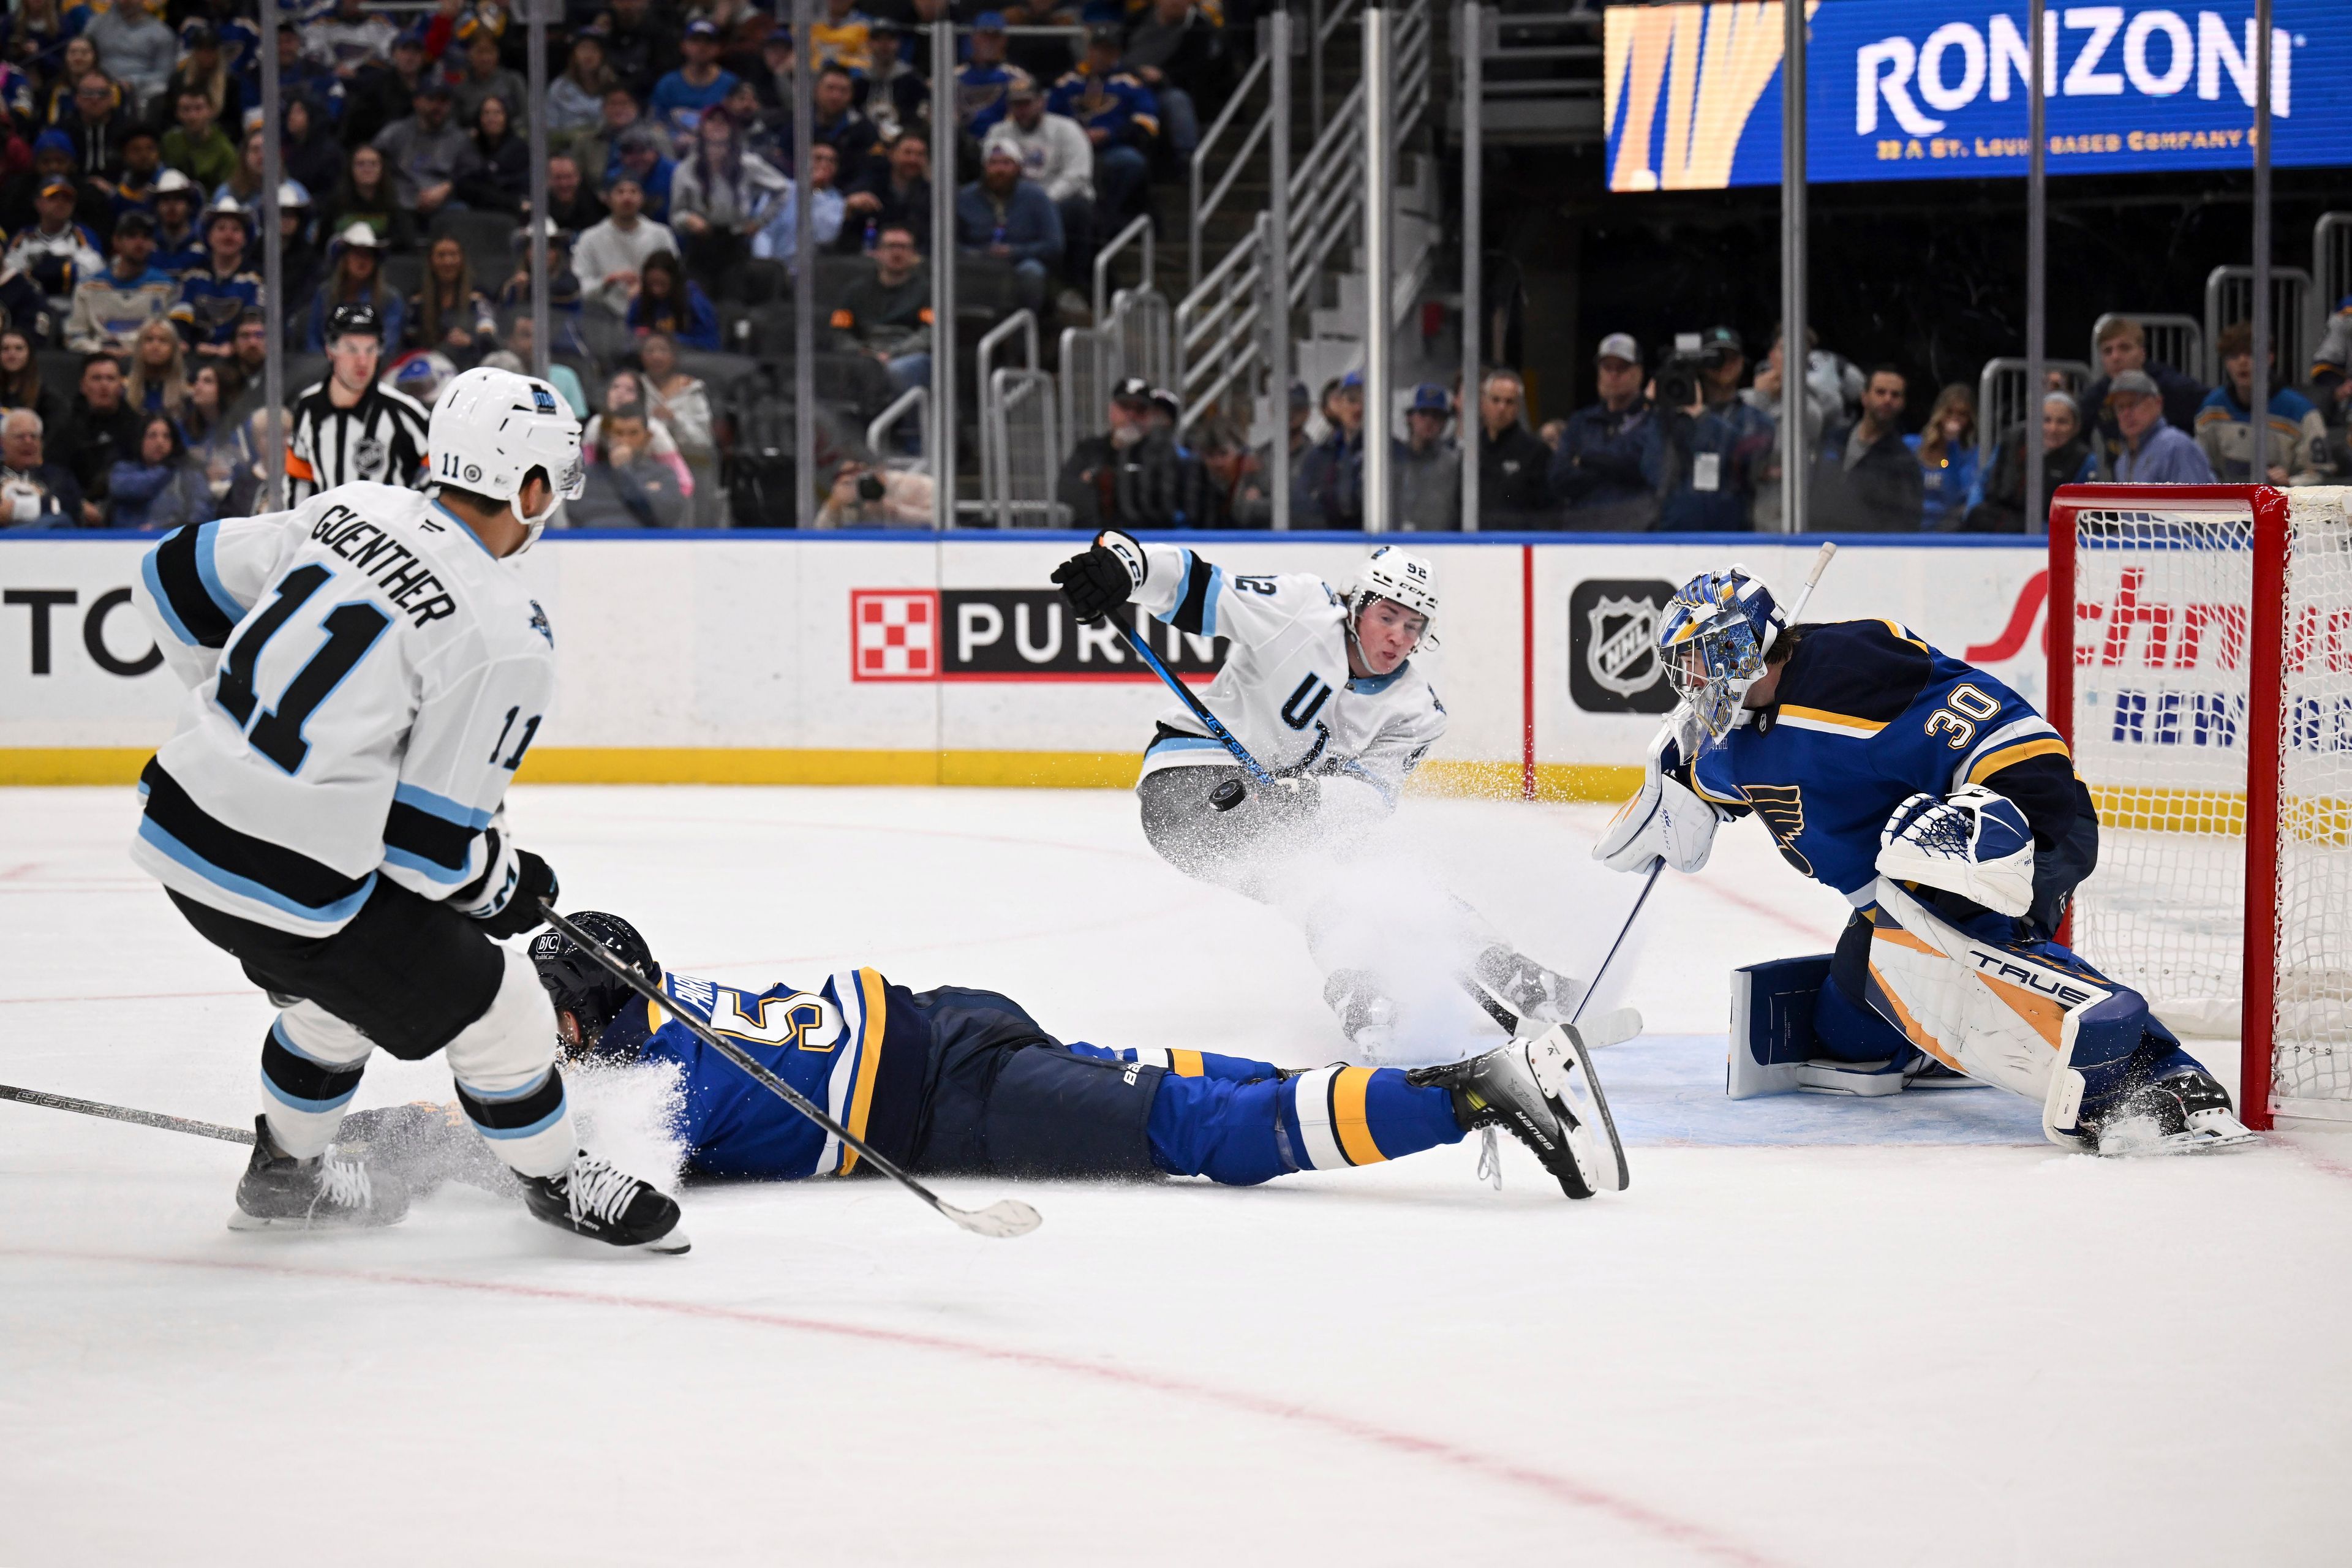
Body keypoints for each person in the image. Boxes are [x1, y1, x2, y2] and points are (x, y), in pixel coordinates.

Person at [125, 365, 684, 1246]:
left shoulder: (350, 509)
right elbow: (432, 853)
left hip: (179, 826)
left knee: (342, 991)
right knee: (505, 1007)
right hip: (293, 881)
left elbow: (170, 578)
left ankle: (285, 1178)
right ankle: (559, 1181)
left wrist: (231, 720)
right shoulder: (508, 631)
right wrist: (511, 887)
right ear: (530, 487)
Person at [1594, 565, 2256, 1155]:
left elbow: (1967, 707)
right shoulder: (1730, 747)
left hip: (2020, 806)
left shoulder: (1843, 664)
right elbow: (1706, 789)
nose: (1694, 681)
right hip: (1912, 880)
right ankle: (1935, 1035)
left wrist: (1985, 814)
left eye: (1703, 660)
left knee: (1933, 904)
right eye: (1685, 667)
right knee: (1848, 1020)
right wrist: (1672, 794)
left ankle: (2164, 1074)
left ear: (1743, 645)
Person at [502, 908, 1632, 1204]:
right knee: (1205, 1087)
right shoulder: (666, 1008)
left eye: (554, 1012)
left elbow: (542, 1155)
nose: (541, 1033)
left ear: (597, 1010)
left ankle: (1482, 1093)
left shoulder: (647, 1085)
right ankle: (1449, 1087)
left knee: (1199, 1135)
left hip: (959, 1098)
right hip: (952, 1018)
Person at [1052, 534, 1594, 1057]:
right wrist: (1127, 566)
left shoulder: (1415, 712)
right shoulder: (1300, 609)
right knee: (1315, 875)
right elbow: (1199, 587)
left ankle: (1518, 974)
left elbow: (1373, 795)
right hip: (1188, 787)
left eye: (1413, 626)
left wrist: (1307, 801)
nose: (1398, 638)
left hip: (1280, 808)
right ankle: (1360, 995)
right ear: (1356, 607)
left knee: (1389, 877)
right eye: (1387, 617)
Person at [286, 302, 431, 503]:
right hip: (327, 532)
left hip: (390, 533)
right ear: (331, 351)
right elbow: (299, 477)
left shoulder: (404, 411)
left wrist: (414, 514)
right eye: (352, 350)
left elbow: (441, 467)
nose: (363, 361)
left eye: (370, 350)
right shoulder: (308, 407)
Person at [1640, 327, 1774, 531]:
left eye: (1732, 358)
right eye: (1717, 359)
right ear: (1701, 365)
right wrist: (1647, 409)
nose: (1725, 365)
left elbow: (1752, 462)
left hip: (1733, 535)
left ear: (1741, 363)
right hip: (1672, 533)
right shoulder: (1671, 418)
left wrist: (1704, 418)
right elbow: (1648, 468)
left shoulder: (1755, 419)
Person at [1049, 25, 1158, 232]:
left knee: (1130, 161)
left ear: (1116, 53)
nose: (1100, 55)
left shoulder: (1130, 83)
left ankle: (1108, 216)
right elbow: (1050, 118)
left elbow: (1147, 122)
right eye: (1097, 49)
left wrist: (1110, 134)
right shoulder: (1067, 83)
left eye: (1107, 50)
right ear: (1089, 50)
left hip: (1111, 148)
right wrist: (1074, 136)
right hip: (1069, 150)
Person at [2195, 320, 2328, 486]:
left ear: (2269, 358)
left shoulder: (2302, 413)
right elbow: (2201, 467)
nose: (2242, 362)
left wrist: (2291, 483)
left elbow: (2320, 474)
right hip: (2229, 505)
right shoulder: (2212, 409)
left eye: (2251, 354)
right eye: (2234, 356)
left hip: (2285, 505)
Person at [997, 77, 1092, 293]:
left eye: (1026, 103)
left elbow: (1078, 176)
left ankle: (1074, 285)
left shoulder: (1067, 129)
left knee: (1078, 209)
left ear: (1042, 102)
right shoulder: (999, 132)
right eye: (1015, 104)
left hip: (1060, 202)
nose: (1021, 110)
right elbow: (991, 171)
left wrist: (1041, 203)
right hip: (1014, 203)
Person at [1552, 333, 1654, 531]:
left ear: (1639, 373)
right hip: (1582, 535)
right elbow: (1558, 476)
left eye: (1622, 368)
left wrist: (1585, 460)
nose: (1613, 375)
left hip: (1635, 536)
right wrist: (1612, 468)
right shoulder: (1581, 422)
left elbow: (1640, 468)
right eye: (1607, 367)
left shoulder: (1652, 420)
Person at [956, 130, 1063, 315]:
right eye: (994, 163)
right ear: (984, 167)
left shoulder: (1036, 197)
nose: (1000, 170)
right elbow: (951, 242)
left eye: (1007, 163)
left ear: (1018, 167)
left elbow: (1054, 244)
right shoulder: (965, 198)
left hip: (1019, 262)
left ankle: (1023, 331)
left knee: (1032, 272)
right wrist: (978, 254)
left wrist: (1015, 252)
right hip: (976, 263)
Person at [1962, 390, 2096, 533]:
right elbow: (1983, 482)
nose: (2053, 429)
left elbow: (2082, 514)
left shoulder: (2084, 460)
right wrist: (1971, 511)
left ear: (2076, 427)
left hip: (2048, 531)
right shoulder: (2012, 440)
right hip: (1997, 520)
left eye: (2062, 422)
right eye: (2046, 420)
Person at [1811, 366, 1921, 532]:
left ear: (1902, 404)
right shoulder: (1832, 440)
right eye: (1880, 392)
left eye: (1895, 395)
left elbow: (1906, 523)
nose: (1887, 400)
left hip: (1864, 549)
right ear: (1864, 397)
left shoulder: (1904, 462)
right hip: (1815, 543)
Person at [2079, 316, 2207, 459]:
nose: (2115, 357)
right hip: (2126, 475)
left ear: (2142, 353)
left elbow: (2214, 407)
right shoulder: (2098, 395)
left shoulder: (2172, 386)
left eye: (2124, 348)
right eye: (2108, 351)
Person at [829, 222, 932, 398]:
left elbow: (929, 333)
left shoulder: (927, 291)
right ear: (877, 253)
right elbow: (840, 332)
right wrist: (862, 353)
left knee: (897, 371)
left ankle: (908, 425)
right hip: (864, 355)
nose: (897, 253)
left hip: (908, 355)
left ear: (914, 254)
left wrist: (892, 354)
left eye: (904, 247)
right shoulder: (855, 291)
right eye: (891, 246)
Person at [1121, 0, 1226, 164]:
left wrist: (1163, 76)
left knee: (1177, 100)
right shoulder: (1138, 18)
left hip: (1168, 87)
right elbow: (1120, 51)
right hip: (1129, 84)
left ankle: (1188, 160)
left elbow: (1198, 69)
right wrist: (1134, 72)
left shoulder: (1199, 26)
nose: (1177, 3)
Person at [1, 175, 102, 335]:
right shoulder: (23, 238)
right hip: (30, 313)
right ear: (38, 203)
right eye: (53, 197)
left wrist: (63, 272)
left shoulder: (84, 236)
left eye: (67, 198)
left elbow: (95, 274)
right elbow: (9, 274)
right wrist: (32, 276)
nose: (61, 203)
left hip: (72, 312)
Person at [65, 208, 174, 353]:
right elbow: (74, 336)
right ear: (116, 241)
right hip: (101, 363)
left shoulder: (165, 287)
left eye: (146, 237)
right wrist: (101, 351)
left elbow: (169, 339)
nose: (139, 242)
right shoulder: (88, 287)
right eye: (132, 236)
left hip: (146, 364)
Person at [570, 399, 690, 528]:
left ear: (647, 437)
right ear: (607, 436)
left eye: (633, 433)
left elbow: (664, 518)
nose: (625, 440)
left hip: (649, 546)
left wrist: (623, 471)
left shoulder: (664, 475)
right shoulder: (588, 477)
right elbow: (581, 516)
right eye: (618, 433)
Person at [575, 173, 679, 318]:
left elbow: (675, 277)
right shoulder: (590, 238)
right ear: (608, 199)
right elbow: (580, 285)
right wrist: (608, 281)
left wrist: (646, 288)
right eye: (620, 192)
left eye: (634, 192)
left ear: (642, 198)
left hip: (652, 311)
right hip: (601, 315)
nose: (627, 198)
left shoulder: (661, 234)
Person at [636, 331, 715, 519]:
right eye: (650, 351)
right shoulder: (634, 387)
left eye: (663, 350)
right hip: (645, 469)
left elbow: (704, 439)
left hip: (692, 466)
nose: (656, 356)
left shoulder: (692, 390)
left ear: (674, 355)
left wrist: (675, 419)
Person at [57, 352, 141, 524]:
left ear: (121, 385)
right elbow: (55, 473)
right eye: (96, 378)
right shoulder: (65, 427)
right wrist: (77, 503)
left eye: (110, 379)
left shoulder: (138, 427)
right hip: (75, 513)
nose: (104, 385)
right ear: (83, 385)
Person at [176, 197, 263, 358]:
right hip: (194, 354)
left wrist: (233, 345)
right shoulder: (193, 277)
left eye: (236, 230)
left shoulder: (255, 279)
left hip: (237, 357)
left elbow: (253, 320)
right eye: (221, 228)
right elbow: (181, 318)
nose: (228, 235)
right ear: (208, 236)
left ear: (245, 239)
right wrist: (189, 343)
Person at [300, 221, 404, 355]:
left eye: (368, 255)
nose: (363, 261)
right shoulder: (325, 293)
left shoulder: (390, 299)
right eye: (357, 254)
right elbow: (313, 340)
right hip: (325, 368)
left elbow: (387, 346)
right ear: (344, 259)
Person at [372, 78, 469, 219]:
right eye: (431, 99)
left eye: (443, 101)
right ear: (416, 102)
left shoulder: (460, 138)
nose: (438, 106)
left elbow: (472, 173)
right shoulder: (395, 132)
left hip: (443, 206)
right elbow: (370, 159)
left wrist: (448, 187)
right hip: (398, 206)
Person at [1472, 368, 1553, 528]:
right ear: (1484, 403)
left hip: (1517, 544)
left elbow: (1547, 511)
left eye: (1509, 402)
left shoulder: (1536, 452)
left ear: (1518, 407)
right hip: (1475, 545)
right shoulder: (1471, 449)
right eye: (1496, 400)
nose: (1502, 408)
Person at [2103, 369, 2215, 484]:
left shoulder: (2176, 447)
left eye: (2133, 404)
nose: (2126, 414)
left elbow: (2195, 500)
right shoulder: (2122, 461)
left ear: (2158, 403)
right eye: (2120, 407)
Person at [104, 412, 209, 530]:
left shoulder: (189, 476)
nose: (160, 442)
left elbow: (200, 514)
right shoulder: (123, 471)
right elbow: (131, 488)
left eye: (167, 436)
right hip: (125, 543)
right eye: (152, 435)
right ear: (141, 440)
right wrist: (165, 469)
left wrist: (161, 528)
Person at [405, 234, 496, 364]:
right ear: (431, 260)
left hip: (473, 365)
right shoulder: (418, 301)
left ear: (462, 259)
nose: (448, 262)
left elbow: (489, 337)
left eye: (454, 255)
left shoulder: (478, 297)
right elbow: (409, 342)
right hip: (430, 368)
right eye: (441, 255)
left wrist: (470, 340)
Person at [837, 129, 929, 257]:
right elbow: (847, 241)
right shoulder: (868, 188)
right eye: (908, 153)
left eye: (920, 154)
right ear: (891, 154)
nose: (913, 159)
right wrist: (849, 207)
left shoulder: (932, 196)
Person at [1294, 369, 1366, 529]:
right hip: (1329, 545)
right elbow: (1300, 507)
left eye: (1366, 401)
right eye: (1352, 400)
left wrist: (1323, 496)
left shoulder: (1392, 453)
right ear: (1339, 405)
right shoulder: (1318, 456)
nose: (1358, 409)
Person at [1906, 383, 1980, 530]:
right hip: (1907, 529)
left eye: (1962, 414)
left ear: (1970, 420)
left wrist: (1953, 448)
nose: (1954, 419)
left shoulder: (1971, 456)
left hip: (1947, 533)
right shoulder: (1910, 445)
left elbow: (1963, 498)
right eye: (1949, 412)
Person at [649, 17, 737, 138]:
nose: (702, 47)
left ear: (718, 48)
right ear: (684, 46)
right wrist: (675, 138)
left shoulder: (731, 84)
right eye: (695, 41)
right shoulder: (667, 84)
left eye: (708, 42)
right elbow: (656, 124)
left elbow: (736, 125)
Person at [81, 0, 173, 114]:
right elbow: (83, 51)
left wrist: (133, 82)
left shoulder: (162, 33)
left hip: (141, 90)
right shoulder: (97, 24)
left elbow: (164, 74)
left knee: (159, 89)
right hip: (99, 83)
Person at [1391, 382, 1460, 532]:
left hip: (1441, 546)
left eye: (1436, 416)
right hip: (1396, 543)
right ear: (1410, 418)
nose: (1429, 421)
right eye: (1423, 413)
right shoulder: (1393, 461)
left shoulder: (1453, 465)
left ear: (1444, 422)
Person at [0, 406, 82, 527]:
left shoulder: (58, 477)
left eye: (34, 436)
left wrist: (15, 511)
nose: (28, 442)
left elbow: (69, 509)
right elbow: (53, 506)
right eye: (20, 437)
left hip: (48, 540)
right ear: (3, 442)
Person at [625, 250, 718, 352]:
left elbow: (711, 343)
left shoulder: (694, 301)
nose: (656, 290)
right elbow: (628, 336)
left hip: (689, 358)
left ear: (674, 281)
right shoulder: (641, 301)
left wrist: (671, 340)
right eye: (651, 284)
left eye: (662, 284)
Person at [452, 93, 530, 216]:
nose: (491, 118)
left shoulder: (519, 148)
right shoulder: (472, 146)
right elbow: (464, 184)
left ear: (506, 117)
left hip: (511, 211)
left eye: (497, 113)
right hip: (480, 210)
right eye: (486, 113)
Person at [816, 457, 934, 526]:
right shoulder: (848, 504)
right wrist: (834, 504)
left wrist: (896, 511)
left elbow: (943, 520)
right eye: (846, 478)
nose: (854, 482)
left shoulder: (911, 484)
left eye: (855, 472)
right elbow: (818, 537)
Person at [160, 86, 236, 194]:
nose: (193, 116)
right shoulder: (169, 142)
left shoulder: (225, 150)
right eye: (186, 109)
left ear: (211, 110)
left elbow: (227, 191)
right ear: (177, 113)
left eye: (198, 108)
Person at [448, 29, 524, 130]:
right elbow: (453, 126)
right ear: (469, 54)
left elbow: (526, 118)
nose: (485, 58)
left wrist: (502, 131)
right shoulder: (460, 88)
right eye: (480, 52)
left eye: (490, 52)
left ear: (498, 53)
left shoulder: (513, 81)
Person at [0, 327, 64, 435]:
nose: (12, 354)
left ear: (30, 354)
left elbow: (55, 436)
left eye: (19, 348)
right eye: (5, 349)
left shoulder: (47, 398)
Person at [123, 317, 190, 418]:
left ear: (174, 349)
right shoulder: (124, 393)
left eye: (163, 340)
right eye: (149, 339)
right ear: (140, 347)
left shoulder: (187, 396)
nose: (155, 346)